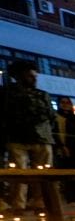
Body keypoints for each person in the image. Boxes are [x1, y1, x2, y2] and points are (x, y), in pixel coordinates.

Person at [1, 60, 56, 212]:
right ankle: (19, 204)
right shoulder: (7, 93)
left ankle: (41, 202)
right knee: (20, 173)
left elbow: (50, 115)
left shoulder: (42, 94)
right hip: (17, 137)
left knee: (43, 173)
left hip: (41, 137)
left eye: (34, 76)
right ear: (19, 76)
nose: (34, 79)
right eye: (30, 76)